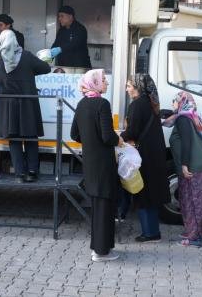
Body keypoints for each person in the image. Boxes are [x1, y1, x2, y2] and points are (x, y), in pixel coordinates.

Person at [71, 69, 121, 262]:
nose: (106, 83)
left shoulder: (82, 104)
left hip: (90, 162)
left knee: (99, 206)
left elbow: (74, 134)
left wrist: (89, 140)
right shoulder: (102, 104)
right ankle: (101, 251)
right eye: (104, 80)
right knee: (104, 207)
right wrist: (119, 140)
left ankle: (100, 248)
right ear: (95, 83)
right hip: (103, 162)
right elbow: (108, 136)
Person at [0, 29, 51, 183]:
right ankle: (32, 172)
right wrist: (31, 70)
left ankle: (19, 174)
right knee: (31, 137)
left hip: (7, 106)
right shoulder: (27, 56)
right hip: (27, 104)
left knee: (14, 139)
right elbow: (46, 68)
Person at [119, 74, 170, 243]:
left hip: (144, 155)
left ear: (137, 87)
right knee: (151, 193)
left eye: (129, 86)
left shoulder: (137, 105)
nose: (127, 89)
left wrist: (118, 138)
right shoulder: (151, 102)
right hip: (154, 153)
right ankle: (153, 231)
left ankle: (150, 233)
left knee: (143, 192)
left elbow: (133, 131)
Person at [164, 91, 202, 248]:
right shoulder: (191, 116)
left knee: (193, 201)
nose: (172, 103)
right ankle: (195, 231)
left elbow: (187, 142)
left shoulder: (183, 119)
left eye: (174, 100)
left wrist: (185, 165)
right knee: (192, 200)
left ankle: (195, 237)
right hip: (200, 163)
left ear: (181, 102)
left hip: (194, 166)